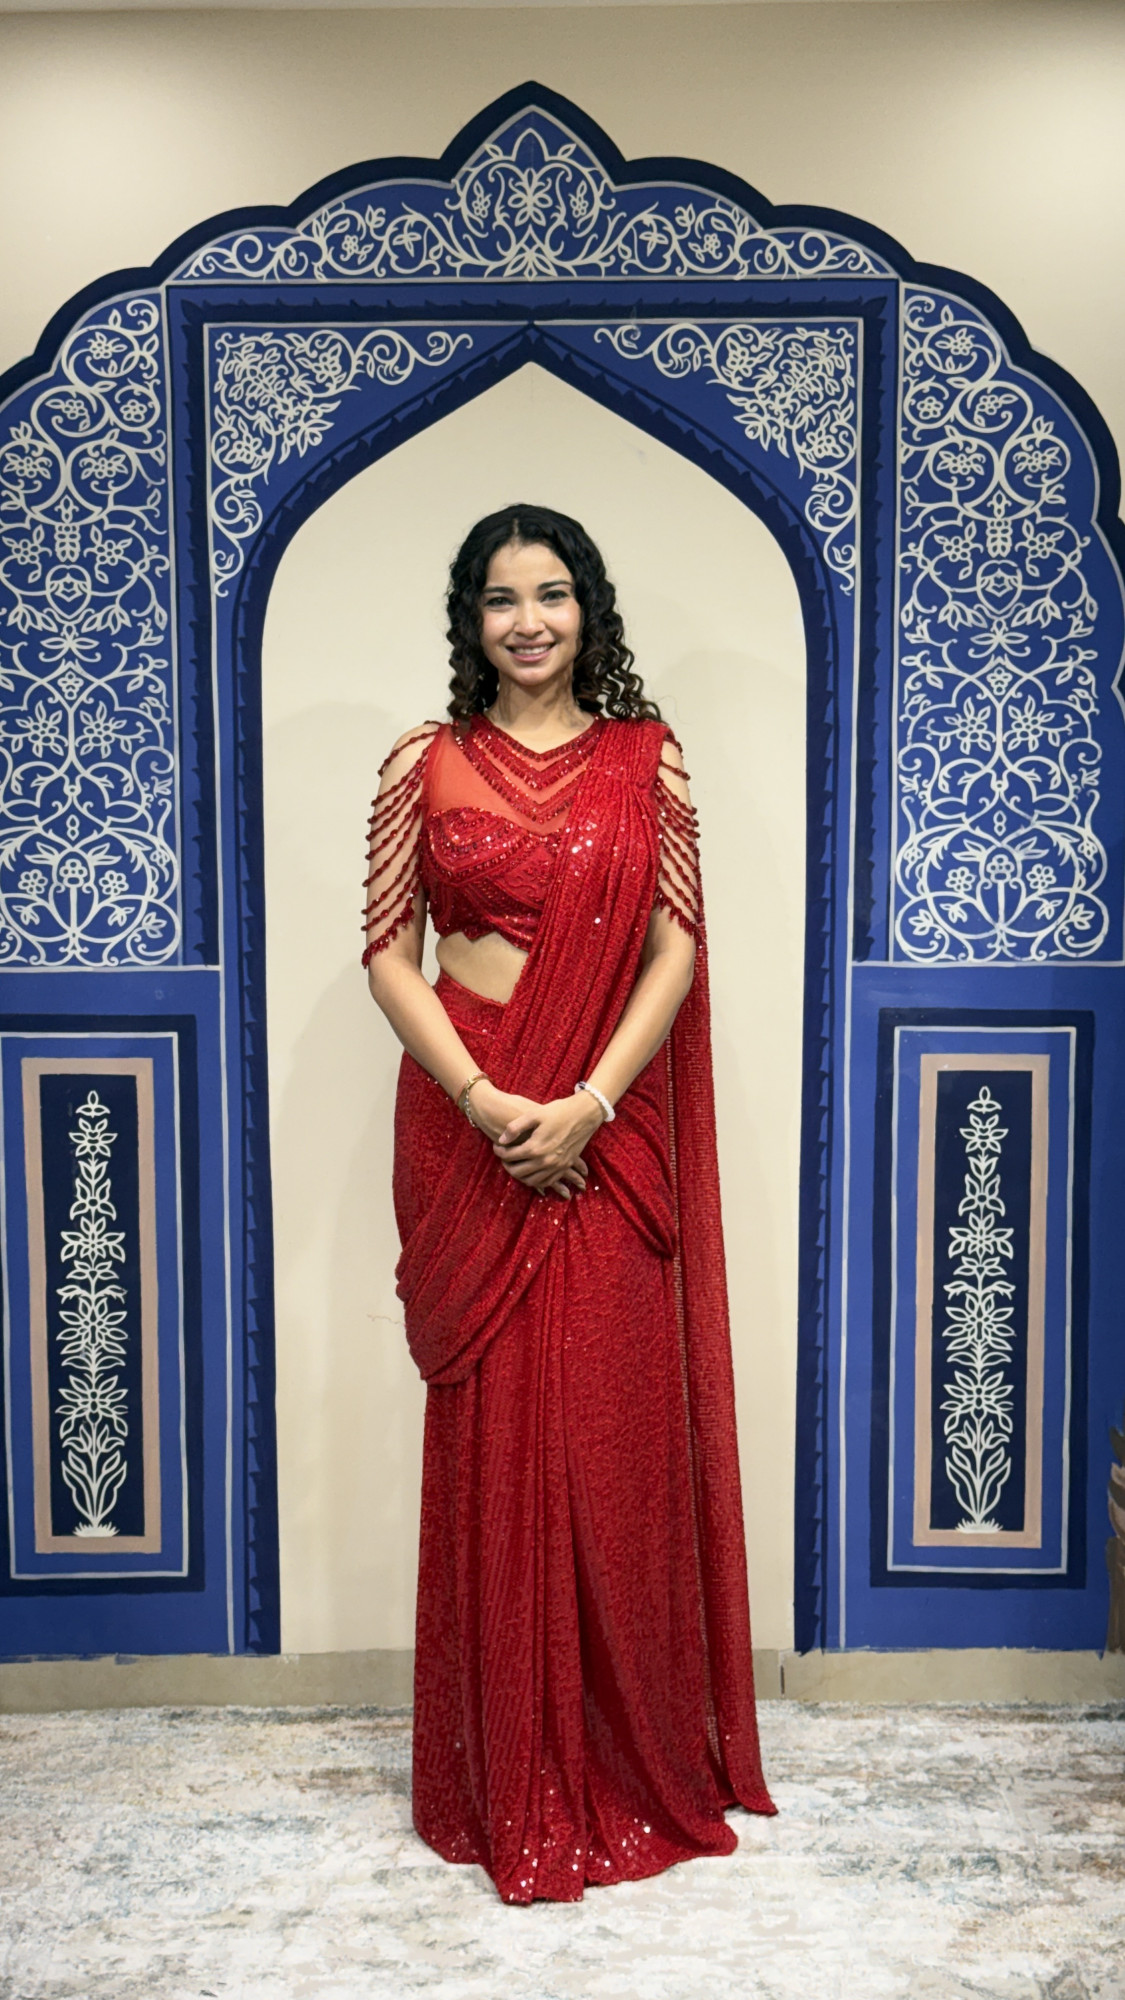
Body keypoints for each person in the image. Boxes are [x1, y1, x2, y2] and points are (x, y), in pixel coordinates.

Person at [363, 503, 775, 1904]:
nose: (527, 621)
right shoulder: (419, 763)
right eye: (500, 599)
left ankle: (624, 1754)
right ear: (469, 621)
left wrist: (586, 1103)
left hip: (602, 1127)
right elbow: (390, 954)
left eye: (551, 594)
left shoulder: (648, 763)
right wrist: (488, 1102)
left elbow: (675, 950)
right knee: (495, 1435)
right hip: (467, 1122)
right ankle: (504, 1769)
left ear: (587, 610)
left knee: (609, 1433)